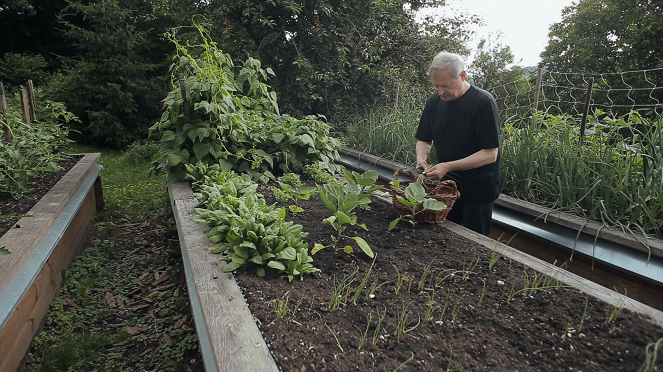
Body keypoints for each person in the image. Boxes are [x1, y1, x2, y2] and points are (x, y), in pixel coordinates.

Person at [414, 51, 501, 236]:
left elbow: (490, 154)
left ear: (462, 76)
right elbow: (424, 139)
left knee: (475, 242)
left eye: (446, 85)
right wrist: (421, 159)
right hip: (446, 187)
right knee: (447, 237)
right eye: (436, 86)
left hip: (478, 190)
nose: (440, 91)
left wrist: (448, 166)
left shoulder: (483, 102)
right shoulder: (434, 102)